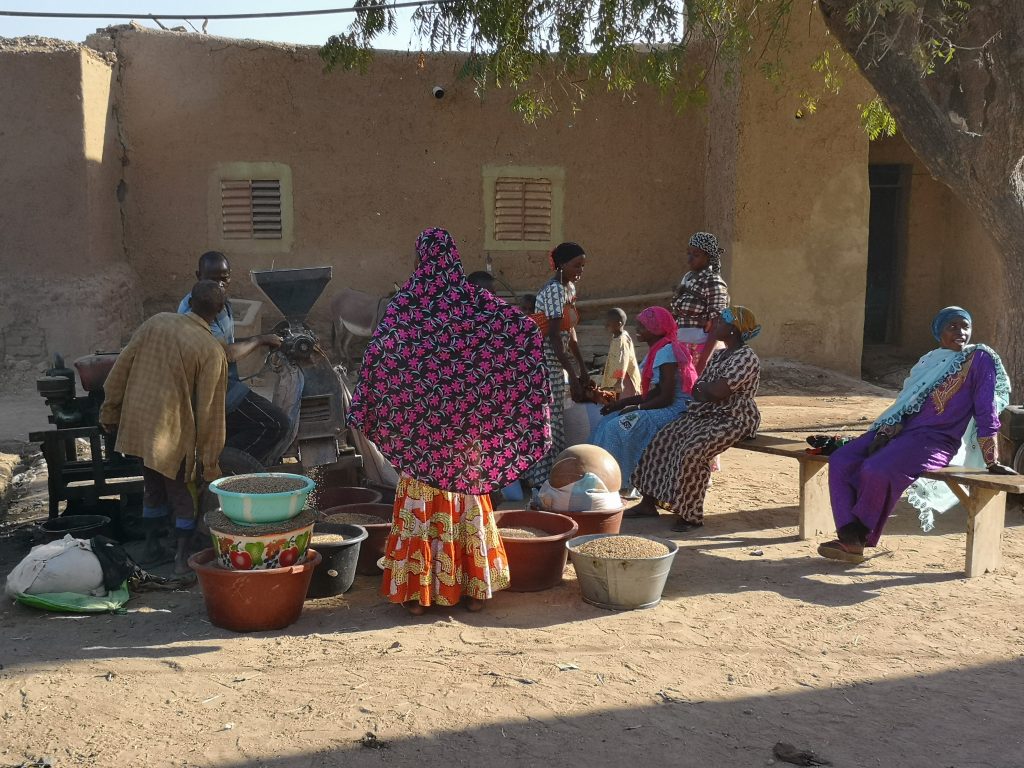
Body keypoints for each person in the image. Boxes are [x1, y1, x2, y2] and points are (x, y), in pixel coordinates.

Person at [347, 228, 551, 615]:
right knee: (467, 510)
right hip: (465, 443)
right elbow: (521, 328)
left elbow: (380, 353)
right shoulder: (476, 302)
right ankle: (474, 592)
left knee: (422, 514)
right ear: (454, 258)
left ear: (419, 260)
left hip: (421, 442)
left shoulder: (406, 305)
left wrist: (380, 403)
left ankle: (418, 596)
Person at [820, 306, 1014, 563]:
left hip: (935, 442)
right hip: (901, 433)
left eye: (965, 326)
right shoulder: (930, 361)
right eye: (952, 326)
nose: (961, 332)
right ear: (939, 332)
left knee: (877, 469)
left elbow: (986, 410)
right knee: (842, 459)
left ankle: (857, 537)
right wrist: (886, 432)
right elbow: (907, 404)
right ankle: (848, 531)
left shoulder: (979, 359)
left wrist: (992, 460)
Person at [100, 281, 229, 574]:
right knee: (184, 494)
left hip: (140, 427)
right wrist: (209, 465)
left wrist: (110, 410)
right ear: (219, 311)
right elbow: (211, 413)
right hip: (173, 435)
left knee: (152, 486)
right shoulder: (211, 349)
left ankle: (151, 545)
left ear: (189, 301)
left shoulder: (156, 322)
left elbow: (122, 366)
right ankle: (181, 557)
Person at [630, 306, 762, 531]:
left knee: (694, 450)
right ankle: (649, 503)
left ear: (733, 330)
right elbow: (701, 388)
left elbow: (716, 391)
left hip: (734, 417)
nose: (714, 325)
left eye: (720, 321)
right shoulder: (721, 355)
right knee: (663, 439)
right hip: (706, 412)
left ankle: (690, 515)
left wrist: (705, 390)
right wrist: (705, 390)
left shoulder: (746, 357)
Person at [178, 252, 287, 466]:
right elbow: (224, 353)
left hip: (227, 382)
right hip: (213, 390)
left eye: (223, 278)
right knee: (277, 423)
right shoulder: (195, 308)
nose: (219, 284)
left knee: (247, 426)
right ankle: (221, 468)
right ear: (198, 276)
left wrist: (265, 341)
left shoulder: (221, 303)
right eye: (212, 278)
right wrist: (259, 340)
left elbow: (228, 343)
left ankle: (224, 460)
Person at [591, 307, 697, 496]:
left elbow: (666, 397)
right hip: (664, 404)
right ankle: (598, 475)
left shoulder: (667, 352)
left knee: (617, 427)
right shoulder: (658, 351)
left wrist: (636, 408)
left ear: (656, 328)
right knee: (607, 422)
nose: (637, 329)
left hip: (676, 410)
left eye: (643, 326)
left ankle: (620, 483)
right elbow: (655, 392)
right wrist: (621, 404)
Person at [522, 242, 592, 492]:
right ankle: (539, 484)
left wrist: (582, 369)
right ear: (561, 264)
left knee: (557, 423)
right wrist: (572, 374)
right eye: (576, 265)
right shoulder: (552, 291)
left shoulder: (569, 288)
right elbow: (552, 337)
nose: (580, 270)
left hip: (557, 364)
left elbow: (570, 333)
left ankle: (552, 481)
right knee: (547, 424)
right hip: (544, 365)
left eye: (583, 266)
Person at [670, 232, 730, 373]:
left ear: (708, 257)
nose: (689, 259)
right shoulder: (688, 278)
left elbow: (717, 323)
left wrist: (702, 363)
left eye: (696, 255)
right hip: (683, 348)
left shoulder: (713, 281)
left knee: (697, 392)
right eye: (688, 253)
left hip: (702, 350)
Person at [600, 308, 642, 397]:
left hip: (625, 377)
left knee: (625, 401)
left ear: (619, 324)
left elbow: (624, 359)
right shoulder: (617, 337)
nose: (606, 325)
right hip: (618, 376)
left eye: (608, 323)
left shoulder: (622, 340)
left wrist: (620, 380)